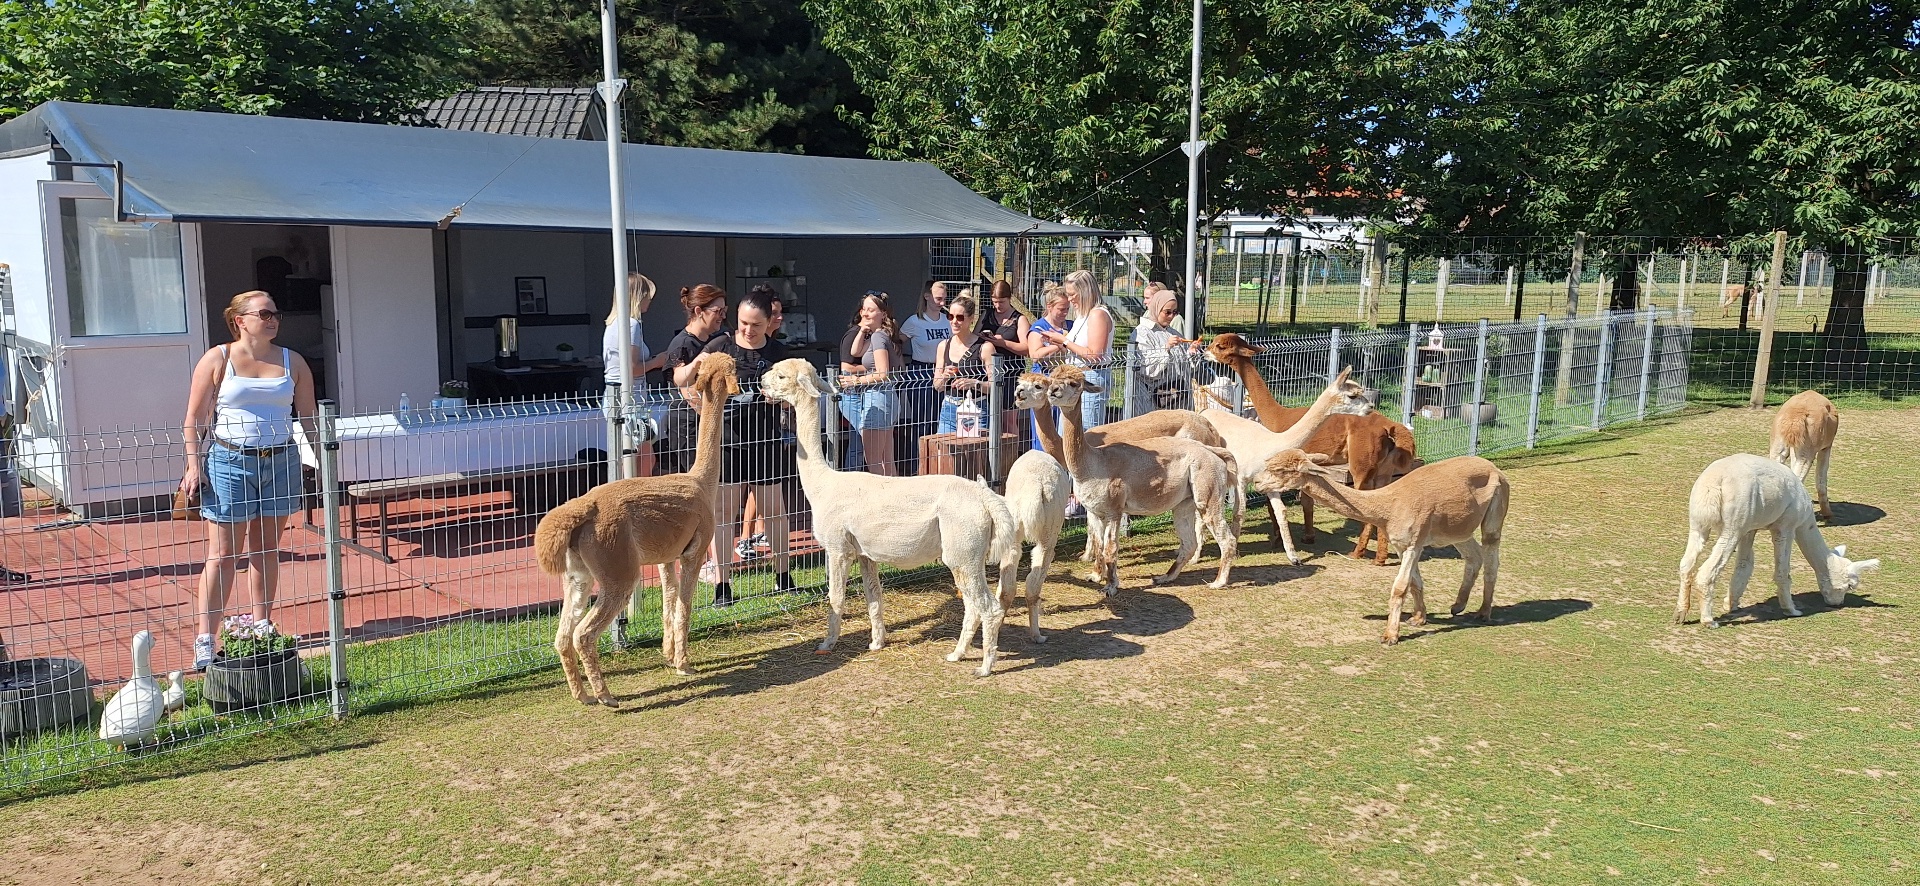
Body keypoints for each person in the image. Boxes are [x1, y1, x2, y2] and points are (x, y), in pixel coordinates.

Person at [180, 291, 318, 670]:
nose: (273, 320)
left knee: (266, 549)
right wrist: (193, 466)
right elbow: (193, 418)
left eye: (276, 313)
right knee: (224, 555)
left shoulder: (293, 361)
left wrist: (324, 459)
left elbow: (309, 417)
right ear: (240, 320)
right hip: (230, 462)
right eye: (264, 314)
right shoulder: (218, 358)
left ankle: (261, 626)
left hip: (281, 461)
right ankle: (206, 639)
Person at [699, 286, 796, 606]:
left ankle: (783, 576)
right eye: (743, 323)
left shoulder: (778, 353)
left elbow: (794, 396)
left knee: (774, 511)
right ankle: (722, 585)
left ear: (770, 322)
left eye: (756, 325)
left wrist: (780, 399)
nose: (748, 330)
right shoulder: (721, 346)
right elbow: (695, 382)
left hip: (766, 440)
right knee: (723, 514)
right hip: (728, 441)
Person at [658, 284, 730, 475]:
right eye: (717, 311)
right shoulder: (683, 343)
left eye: (724, 311)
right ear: (699, 311)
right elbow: (681, 383)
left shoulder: (713, 339)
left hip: (704, 423)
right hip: (687, 426)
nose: (722, 316)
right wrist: (715, 418)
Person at [1034, 269, 1114, 429]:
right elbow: (1075, 349)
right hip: (1074, 378)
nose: (1069, 299)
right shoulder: (1081, 316)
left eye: (1072, 294)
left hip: (1091, 376)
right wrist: (1057, 342)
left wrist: (1064, 341)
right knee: (1066, 431)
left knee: (1086, 432)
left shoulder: (1097, 314)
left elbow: (1095, 355)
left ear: (1085, 291)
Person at [604, 273, 665, 477]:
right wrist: (657, 361)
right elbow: (631, 369)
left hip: (619, 397)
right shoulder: (631, 325)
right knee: (642, 459)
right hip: (630, 400)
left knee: (633, 457)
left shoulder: (613, 324)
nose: (649, 301)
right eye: (647, 296)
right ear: (638, 297)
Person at [837, 290, 900, 475]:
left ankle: (880, 493)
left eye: (871, 310)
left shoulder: (879, 337)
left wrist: (856, 381)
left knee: (874, 462)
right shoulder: (875, 335)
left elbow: (882, 373)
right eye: (864, 309)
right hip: (885, 397)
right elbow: (855, 352)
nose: (865, 314)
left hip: (877, 397)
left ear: (883, 314)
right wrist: (863, 330)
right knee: (886, 459)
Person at [896, 280, 949, 472]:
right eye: (938, 299)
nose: (942, 303)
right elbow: (897, 343)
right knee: (921, 421)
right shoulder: (914, 321)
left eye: (944, 299)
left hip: (943, 371)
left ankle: (935, 464)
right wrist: (902, 366)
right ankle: (917, 465)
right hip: (921, 370)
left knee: (939, 419)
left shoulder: (947, 320)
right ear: (927, 297)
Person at [1129, 286, 1200, 415]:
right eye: (1167, 312)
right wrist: (1165, 348)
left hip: (1178, 399)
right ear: (1156, 308)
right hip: (1152, 402)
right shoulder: (1142, 333)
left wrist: (1191, 352)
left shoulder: (1173, 332)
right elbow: (1145, 369)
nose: (1171, 316)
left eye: (1174, 312)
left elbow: (1187, 367)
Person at [933, 293, 994, 434]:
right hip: (949, 409)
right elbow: (937, 386)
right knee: (945, 448)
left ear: (971, 319)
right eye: (950, 316)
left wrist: (974, 384)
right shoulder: (943, 346)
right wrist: (944, 376)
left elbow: (995, 385)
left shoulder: (984, 348)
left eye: (960, 317)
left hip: (975, 409)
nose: (954, 321)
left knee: (973, 449)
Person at [977, 280, 1031, 440]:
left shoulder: (1019, 319)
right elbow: (974, 336)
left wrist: (1003, 343)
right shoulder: (987, 314)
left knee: (1008, 420)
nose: (998, 306)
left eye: (1001, 302)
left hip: (1010, 373)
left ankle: (1012, 451)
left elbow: (1027, 348)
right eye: (994, 302)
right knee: (987, 416)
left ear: (1009, 298)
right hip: (988, 372)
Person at [1023, 286, 1073, 452]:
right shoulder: (1038, 328)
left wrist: (1062, 341)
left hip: (1064, 383)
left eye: (1067, 309)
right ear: (1049, 306)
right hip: (1043, 383)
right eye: (1061, 309)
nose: (1065, 313)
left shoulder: (1071, 326)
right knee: (1044, 427)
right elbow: (1035, 355)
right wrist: (1060, 344)